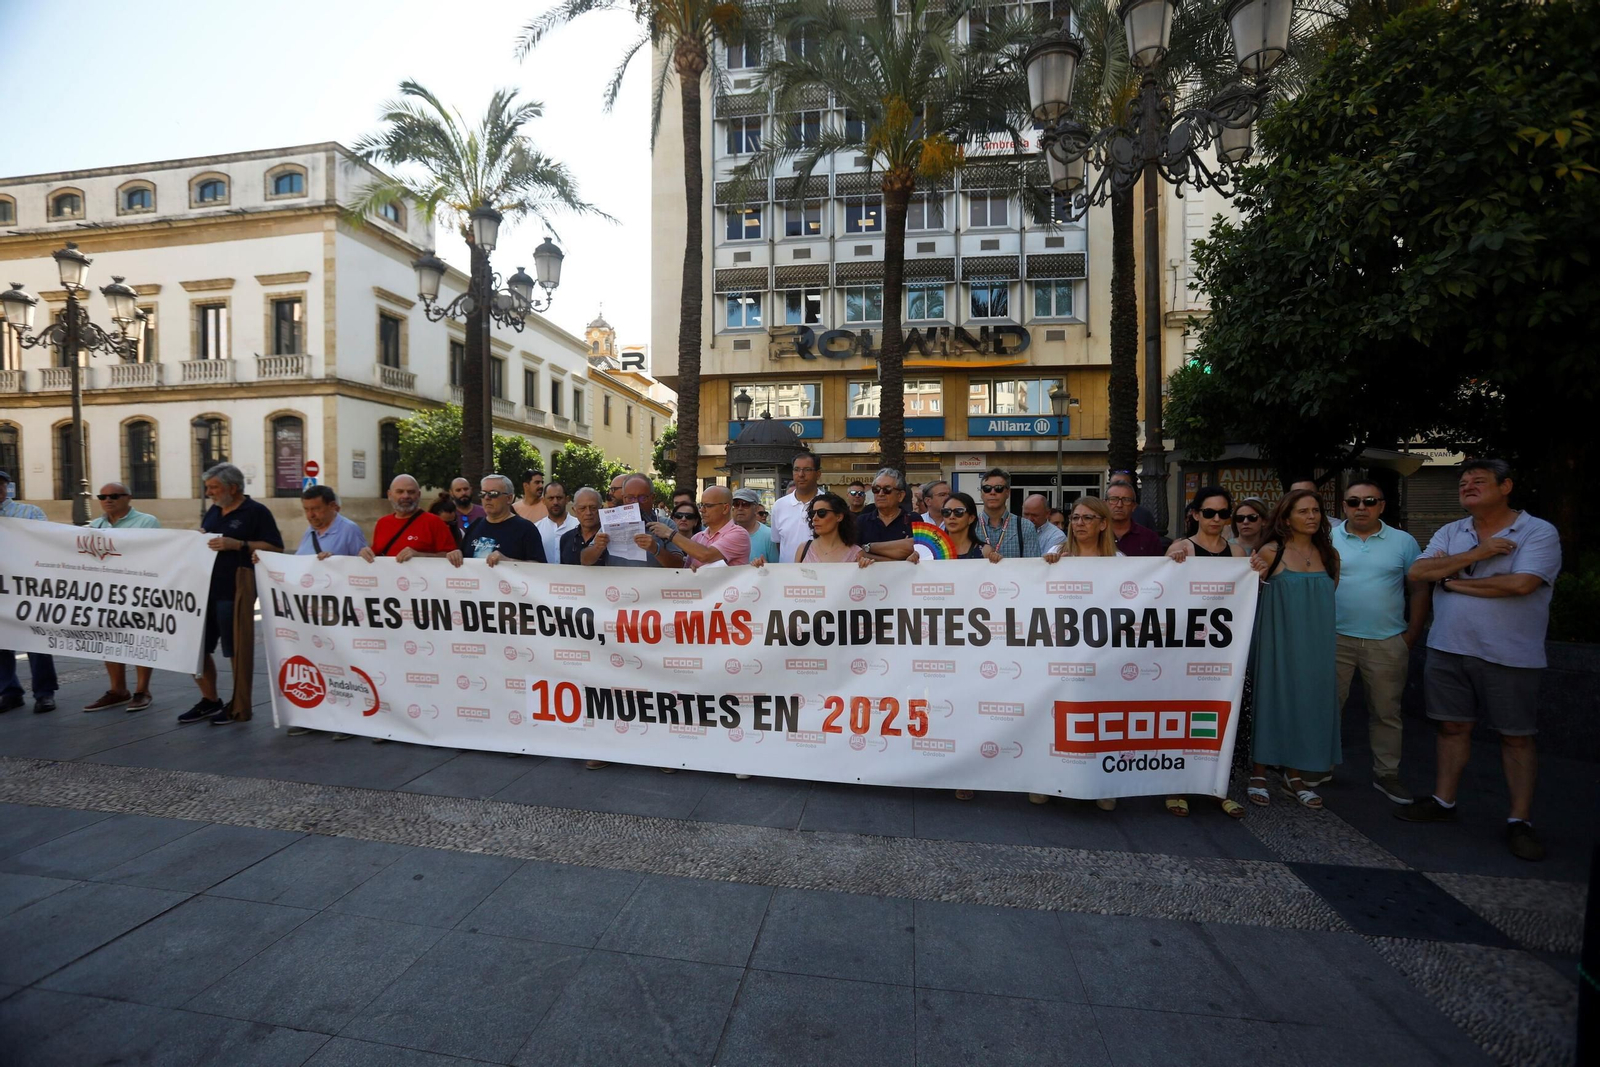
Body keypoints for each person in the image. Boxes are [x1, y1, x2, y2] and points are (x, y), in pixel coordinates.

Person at [1397, 459, 1561, 862]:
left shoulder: (1537, 531)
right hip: (1449, 647)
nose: (1467, 486)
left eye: (1479, 481)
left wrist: (1454, 583)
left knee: (1516, 735)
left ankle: (1519, 820)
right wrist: (1480, 553)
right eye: (1463, 482)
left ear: (1506, 487)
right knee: (1452, 727)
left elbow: (1522, 583)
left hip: (1510, 654)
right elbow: (1419, 572)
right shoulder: (1453, 531)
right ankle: (1443, 801)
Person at [1302, 479, 1427, 804]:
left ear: (1381, 506)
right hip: (1334, 638)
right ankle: (1319, 767)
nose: (1361, 507)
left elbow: (1420, 588)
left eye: (1369, 501)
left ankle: (1387, 774)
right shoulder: (1325, 540)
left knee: (1387, 712)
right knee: (1328, 708)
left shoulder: (1403, 541)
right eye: (1354, 502)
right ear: (1343, 506)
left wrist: (1412, 633)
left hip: (1386, 641)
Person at [1245, 489, 1340, 810]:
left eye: (1316, 511)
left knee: (1309, 702)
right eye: (1304, 511)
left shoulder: (1329, 555)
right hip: (1277, 639)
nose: (1312, 517)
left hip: (1317, 643)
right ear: (1286, 518)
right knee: (1271, 700)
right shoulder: (1271, 552)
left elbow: (1328, 594)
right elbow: (1249, 594)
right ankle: (1259, 773)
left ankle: (1294, 775)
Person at [1162, 487, 1249, 819]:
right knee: (1183, 715)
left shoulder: (1239, 554)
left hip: (1223, 656)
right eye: (1209, 512)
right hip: (1186, 652)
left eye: (1223, 513)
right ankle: (1176, 786)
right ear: (1195, 514)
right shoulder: (1182, 548)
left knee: (1218, 719)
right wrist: (1172, 564)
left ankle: (1216, 786)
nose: (1217, 519)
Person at [179, 463, 283, 726]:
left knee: (235, 649)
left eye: (214, 487)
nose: (209, 492)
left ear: (233, 488)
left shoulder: (256, 512)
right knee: (195, 647)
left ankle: (238, 704)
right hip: (203, 590)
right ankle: (209, 699)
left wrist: (239, 545)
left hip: (235, 589)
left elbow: (275, 547)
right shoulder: (213, 511)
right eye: (208, 487)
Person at [272, 486, 366, 740]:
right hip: (310, 618)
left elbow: (363, 567)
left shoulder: (348, 530)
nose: (311, 515)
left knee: (343, 667)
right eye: (306, 510)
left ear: (332, 506)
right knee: (315, 667)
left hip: (339, 615)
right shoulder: (309, 532)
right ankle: (315, 717)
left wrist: (335, 563)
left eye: (316, 509)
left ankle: (350, 721)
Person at [80, 482, 163, 714]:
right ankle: (118, 690)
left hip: (138, 590)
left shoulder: (147, 522)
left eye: (114, 496)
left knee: (139, 639)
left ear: (129, 497)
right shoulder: (95, 525)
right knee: (109, 639)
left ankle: (142, 691)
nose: (108, 500)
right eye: (103, 496)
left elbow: (156, 552)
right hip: (106, 593)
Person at [0, 469, 56, 716]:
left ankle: (44, 694)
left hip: (26, 586)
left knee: (36, 639)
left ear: (7, 487)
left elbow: (47, 541)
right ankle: (9, 692)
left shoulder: (29, 512)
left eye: (0, 484)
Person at [589, 474, 685, 568]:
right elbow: (585, 560)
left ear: (652, 497)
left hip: (655, 583)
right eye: (630, 498)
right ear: (623, 498)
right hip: (618, 583)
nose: (636, 503)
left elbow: (679, 565)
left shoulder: (666, 524)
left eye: (642, 498)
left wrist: (656, 549)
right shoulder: (612, 522)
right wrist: (597, 547)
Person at [362, 475, 462, 564]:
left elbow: (451, 557)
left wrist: (421, 556)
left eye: (411, 492)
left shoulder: (434, 522)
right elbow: (376, 554)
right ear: (389, 495)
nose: (405, 496)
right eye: (400, 491)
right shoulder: (382, 523)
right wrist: (365, 553)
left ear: (418, 495)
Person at [648, 485, 751, 570]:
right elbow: (685, 570)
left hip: (727, 594)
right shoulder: (697, 537)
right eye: (701, 505)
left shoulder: (739, 534)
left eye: (708, 505)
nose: (702, 510)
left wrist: (669, 533)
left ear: (725, 508)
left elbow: (706, 555)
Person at [751, 492, 862, 565]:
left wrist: (867, 567)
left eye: (822, 513)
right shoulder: (804, 549)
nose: (815, 518)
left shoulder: (856, 553)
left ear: (839, 516)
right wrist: (766, 570)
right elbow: (794, 585)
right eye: (812, 513)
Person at [461, 474, 546, 564]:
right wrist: (456, 555)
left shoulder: (526, 529)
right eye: (483, 494)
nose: (487, 498)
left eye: (493, 494)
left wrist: (508, 561)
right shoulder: (475, 525)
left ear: (509, 498)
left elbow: (539, 566)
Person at [770, 451, 824, 563]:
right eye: (796, 469)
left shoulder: (829, 505)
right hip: (788, 576)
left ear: (818, 474)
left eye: (807, 469)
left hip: (820, 575)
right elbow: (779, 543)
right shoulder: (779, 505)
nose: (801, 474)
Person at [974, 468, 1040, 560]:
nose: (992, 493)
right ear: (981, 493)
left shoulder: (1025, 527)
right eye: (987, 489)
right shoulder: (970, 525)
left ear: (1008, 493)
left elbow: (1033, 566)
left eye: (998, 488)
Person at [858, 468, 915, 561]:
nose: (880, 494)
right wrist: (896, 558)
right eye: (876, 489)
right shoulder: (862, 521)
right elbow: (857, 554)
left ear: (900, 495)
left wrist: (869, 547)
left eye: (887, 489)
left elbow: (912, 548)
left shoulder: (913, 519)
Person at [1044, 496, 1119, 562]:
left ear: (1103, 524)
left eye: (1087, 518)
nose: (1080, 523)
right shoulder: (1056, 552)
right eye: (1075, 518)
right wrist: (1052, 565)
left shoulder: (1118, 559)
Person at [1104, 480, 1163, 557]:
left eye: (1126, 500)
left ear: (1134, 506)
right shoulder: (1095, 534)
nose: (1119, 505)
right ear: (1105, 504)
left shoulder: (1149, 538)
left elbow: (1159, 566)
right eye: (1114, 499)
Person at [533, 479, 578, 565]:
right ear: (543, 501)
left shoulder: (578, 526)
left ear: (567, 499)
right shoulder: (536, 528)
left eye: (559, 498)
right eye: (551, 498)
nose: (555, 502)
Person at [731, 488, 778, 564]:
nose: (740, 508)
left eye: (745, 504)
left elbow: (776, 568)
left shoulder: (768, 536)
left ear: (755, 509)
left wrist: (765, 566)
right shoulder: (725, 534)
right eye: (736, 504)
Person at [561, 488, 606, 566]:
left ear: (601, 509)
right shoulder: (566, 538)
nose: (588, 513)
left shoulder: (608, 537)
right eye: (582, 508)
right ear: (574, 510)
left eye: (593, 508)